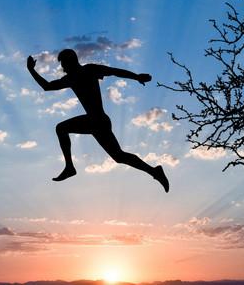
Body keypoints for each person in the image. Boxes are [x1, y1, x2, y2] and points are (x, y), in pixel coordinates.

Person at [26, 49, 170, 192]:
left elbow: (114, 71)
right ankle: (154, 171)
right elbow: (47, 86)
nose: (63, 68)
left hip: (98, 120)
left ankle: (70, 168)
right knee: (119, 156)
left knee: (63, 129)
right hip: (96, 121)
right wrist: (31, 70)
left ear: (71, 62)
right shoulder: (70, 78)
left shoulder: (90, 70)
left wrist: (136, 77)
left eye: (64, 64)